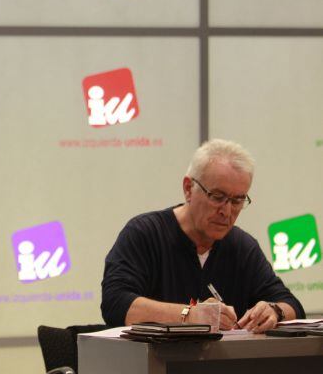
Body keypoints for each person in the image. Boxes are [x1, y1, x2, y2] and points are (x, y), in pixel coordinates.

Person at [101, 139, 304, 333]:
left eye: (237, 200)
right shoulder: (145, 234)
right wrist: (190, 315)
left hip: (223, 368)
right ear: (189, 189)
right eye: (218, 197)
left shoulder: (242, 246)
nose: (227, 210)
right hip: (152, 365)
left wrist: (274, 311)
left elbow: (292, 305)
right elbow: (116, 304)